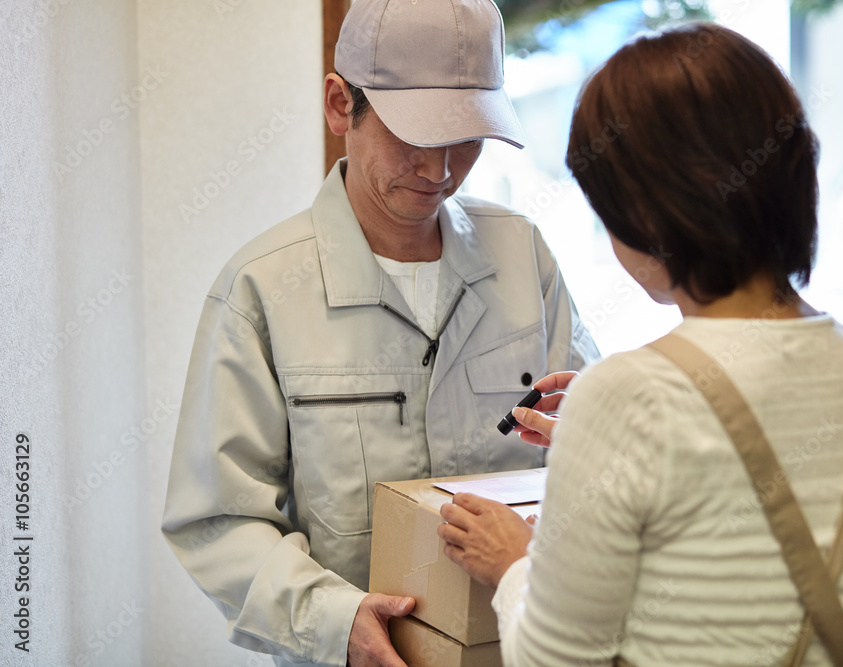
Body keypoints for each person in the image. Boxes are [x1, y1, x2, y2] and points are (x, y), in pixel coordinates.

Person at [438, 23, 843, 666]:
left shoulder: (628, 397)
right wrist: (606, 432)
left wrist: (514, 564)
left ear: (651, 214)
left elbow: (554, 660)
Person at [160, 0, 599, 664]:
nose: (441, 169)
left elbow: (593, 451)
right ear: (340, 105)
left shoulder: (523, 257)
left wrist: (591, 433)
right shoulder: (261, 290)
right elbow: (217, 518)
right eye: (416, 136)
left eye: (467, 137)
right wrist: (333, 618)